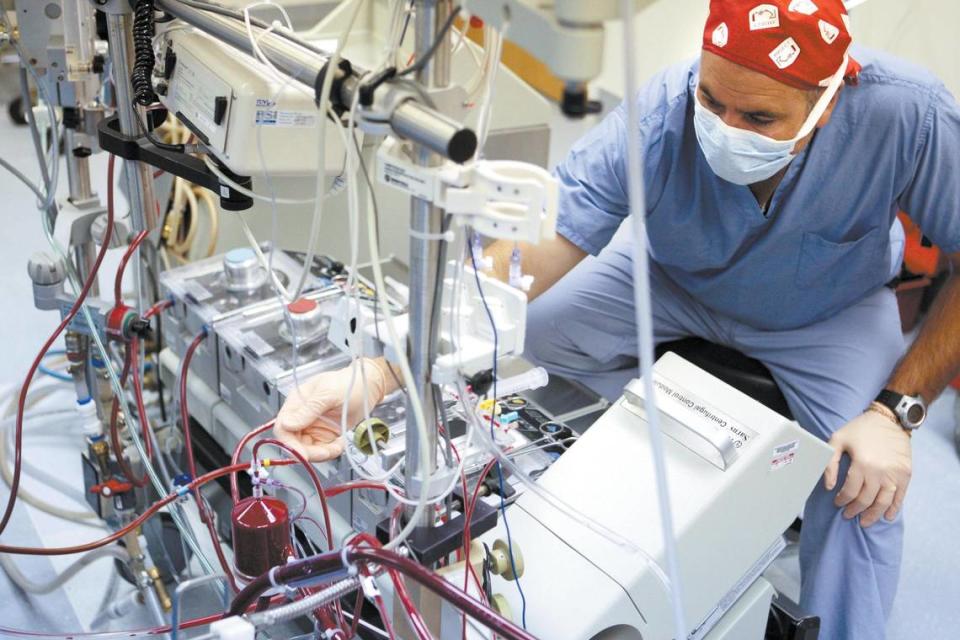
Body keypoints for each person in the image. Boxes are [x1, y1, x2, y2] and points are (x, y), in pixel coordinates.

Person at [275, 1, 960, 637]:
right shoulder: (662, 108)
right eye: (712, 101)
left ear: (827, 103)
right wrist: (382, 370)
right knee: (514, 343)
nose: (725, 131)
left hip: (825, 314)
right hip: (668, 278)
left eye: (759, 121)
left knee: (861, 488)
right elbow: (532, 253)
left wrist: (896, 413)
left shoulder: (907, 115)